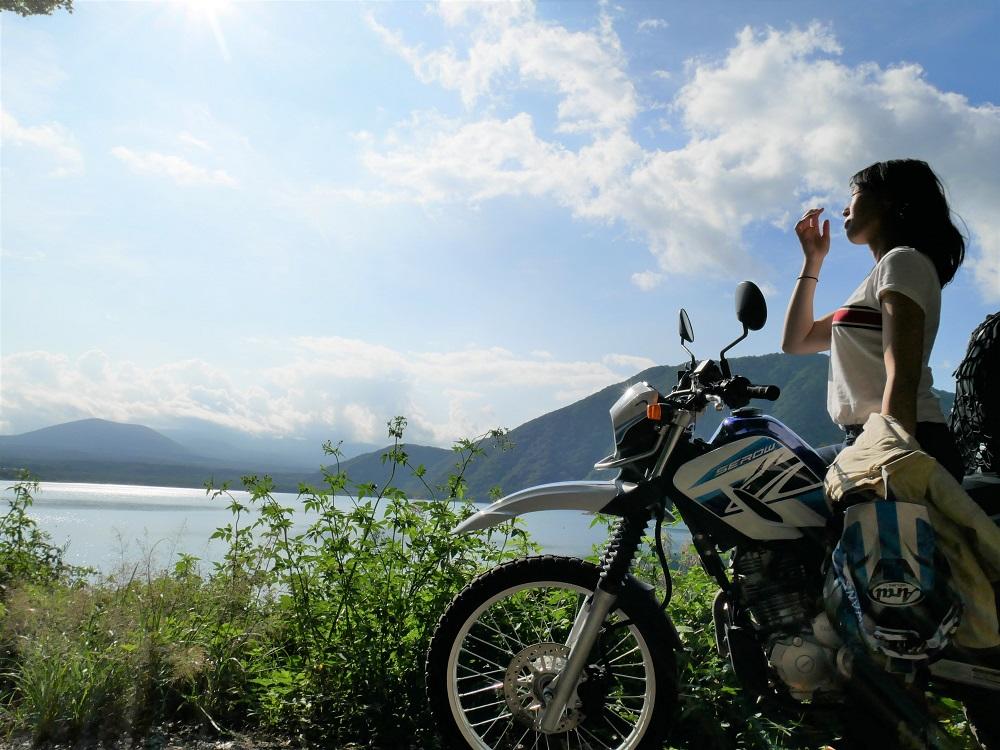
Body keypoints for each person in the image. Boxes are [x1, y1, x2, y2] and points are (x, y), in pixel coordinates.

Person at [781, 159, 966, 481]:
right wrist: (813, 260)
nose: (843, 211)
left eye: (854, 193)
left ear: (887, 200)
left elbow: (903, 373)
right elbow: (797, 342)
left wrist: (891, 457)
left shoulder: (903, 261)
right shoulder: (882, 275)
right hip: (867, 438)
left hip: (903, 438)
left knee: (781, 483)